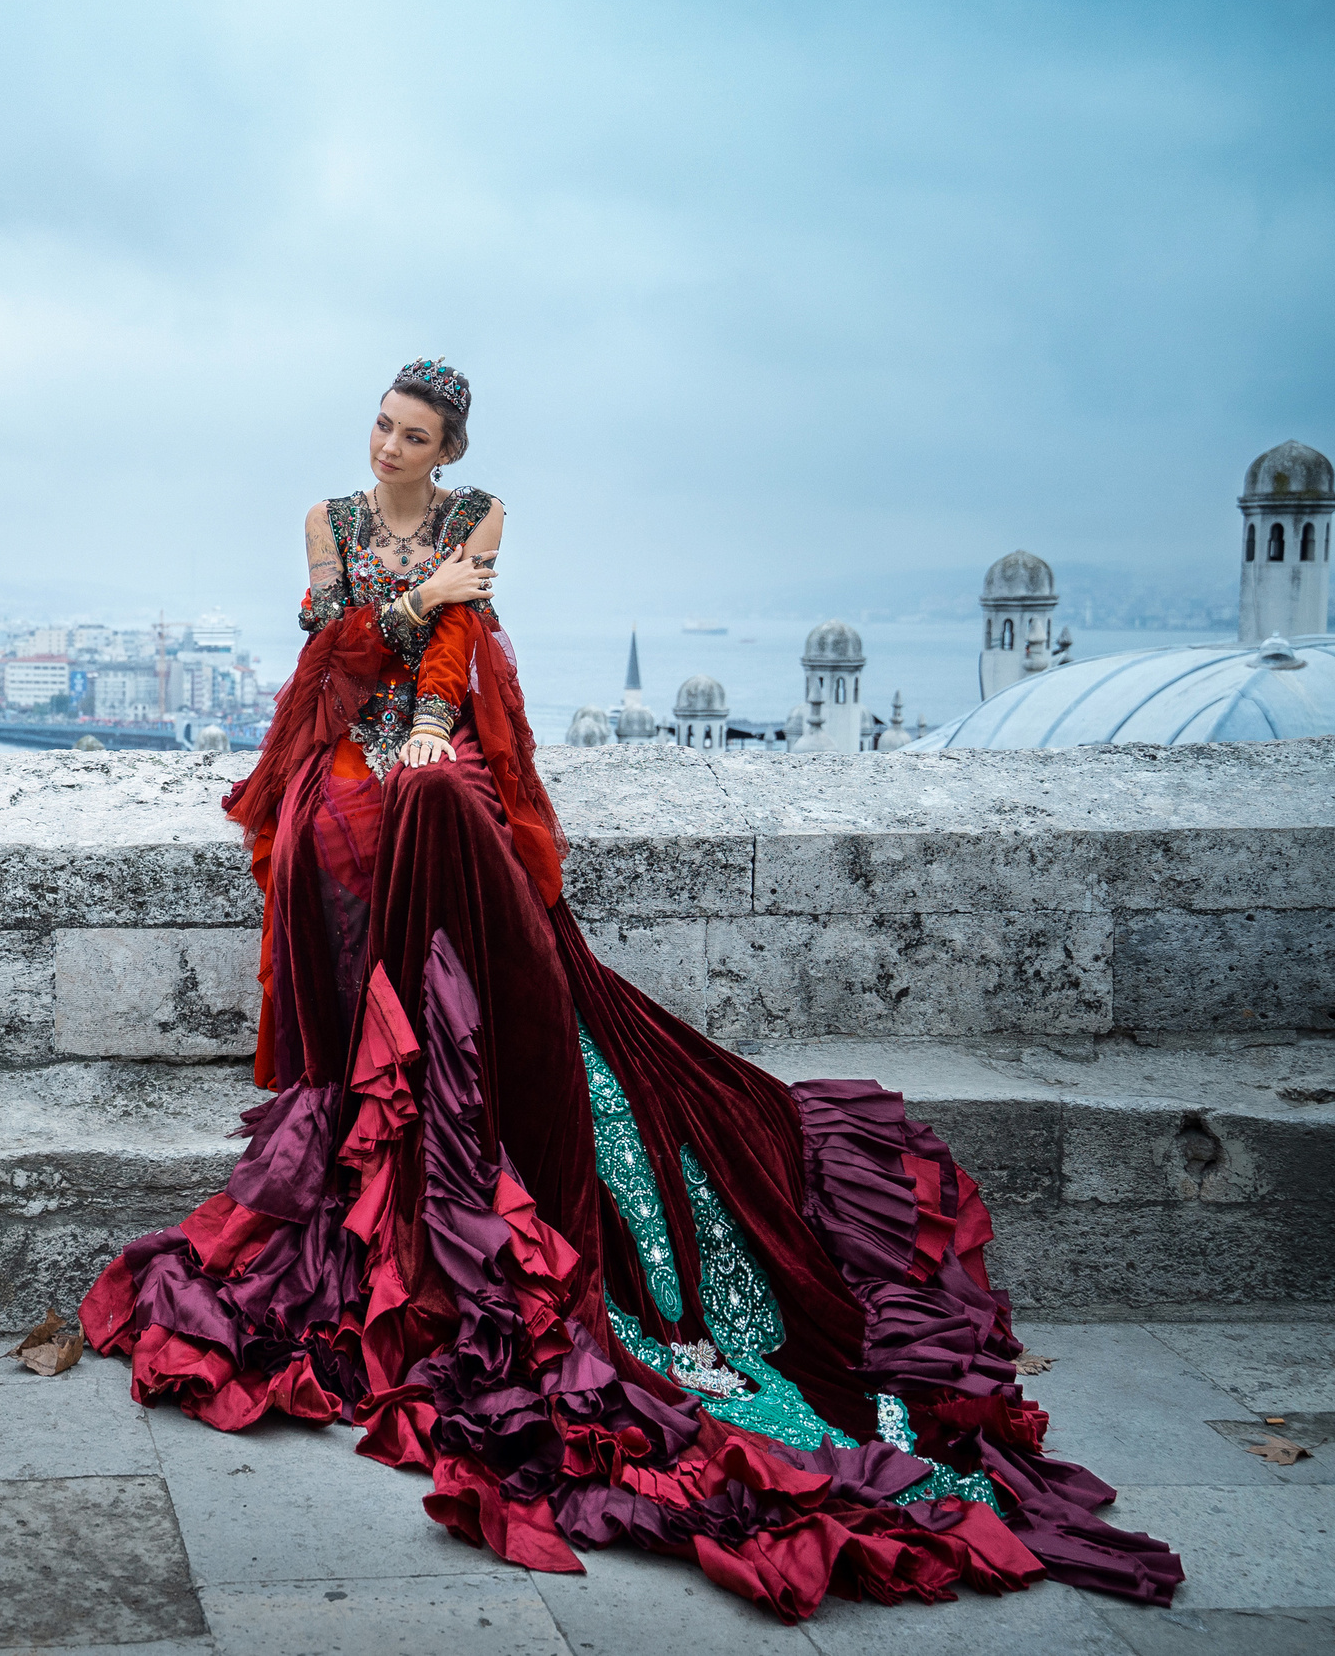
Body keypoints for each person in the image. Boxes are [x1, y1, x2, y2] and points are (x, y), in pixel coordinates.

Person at [80, 359, 1181, 1621]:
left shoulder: (477, 512)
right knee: (332, 822)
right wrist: (408, 607)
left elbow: (452, 641)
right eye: (382, 426)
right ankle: (376, 1077)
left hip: (434, 734)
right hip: (343, 731)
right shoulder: (326, 520)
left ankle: (477, 1055)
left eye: (413, 435)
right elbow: (330, 645)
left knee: (442, 802)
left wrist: (437, 709)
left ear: (447, 450)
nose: (387, 447)